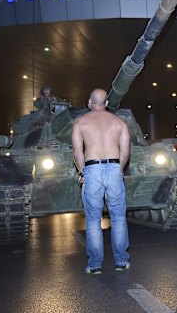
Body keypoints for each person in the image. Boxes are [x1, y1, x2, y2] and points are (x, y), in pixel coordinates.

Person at [72, 88, 131, 275]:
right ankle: (121, 261)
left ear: (90, 103)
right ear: (106, 104)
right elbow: (125, 151)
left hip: (92, 170)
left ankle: (95, 265)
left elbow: (77, 152)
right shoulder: (119, 123)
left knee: (93, 220)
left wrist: (82, 172)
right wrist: (119, 169)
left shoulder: (80, 122)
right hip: (114, 168)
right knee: (119, 219)